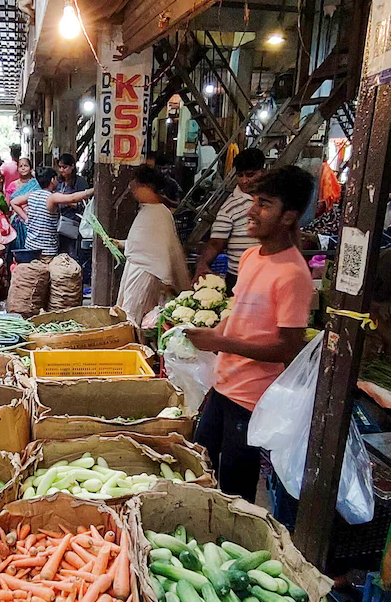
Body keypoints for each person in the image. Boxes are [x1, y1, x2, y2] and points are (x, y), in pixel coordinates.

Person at [187, 166, 316, 501]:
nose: (252, 211)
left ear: (288, 217)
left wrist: (220, 342)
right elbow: (237, 312)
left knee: (235, 488)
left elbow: (288, 349)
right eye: (254, 201)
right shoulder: (249, 256)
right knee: (197, 463)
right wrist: (214, 334)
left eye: (264, 204)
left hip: (252, 399)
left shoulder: (293, 274)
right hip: (223, 384)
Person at [114, 166, 191, 325]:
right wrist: (121, 244)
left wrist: (166, 279)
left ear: (148, 188)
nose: (133, 191)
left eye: (136, 187)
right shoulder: (148, 209)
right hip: (136, 269)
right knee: (129, 315)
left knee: (135, 318)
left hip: (147, 274)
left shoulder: (159, 213)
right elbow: (143, 242)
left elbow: (161, 249)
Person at [194, 148, 266, 286]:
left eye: (250, 175)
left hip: (269, 276)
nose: (244, 181)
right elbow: (216, 243)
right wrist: (202, 264)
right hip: (240, 278)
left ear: (262, 172)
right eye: (240, 175)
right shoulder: (230, 207)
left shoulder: (274, 202)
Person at [10, 167, 94, 257]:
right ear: (52, 180)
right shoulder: (52, 197)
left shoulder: (32, 194)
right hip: (46, 250)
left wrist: (26, 219)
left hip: (30, 246)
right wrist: (92, 191)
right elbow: (72, 197)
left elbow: (13, 202)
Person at [54, 153, 89, 257]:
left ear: (72, 166)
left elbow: (85, 205)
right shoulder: (58, 182)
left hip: (73, 224)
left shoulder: (80, 182)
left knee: (72, 254)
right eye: (60, 167)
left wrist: (68, 201)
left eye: (64, 167)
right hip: (57, 224)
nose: (61, 170)